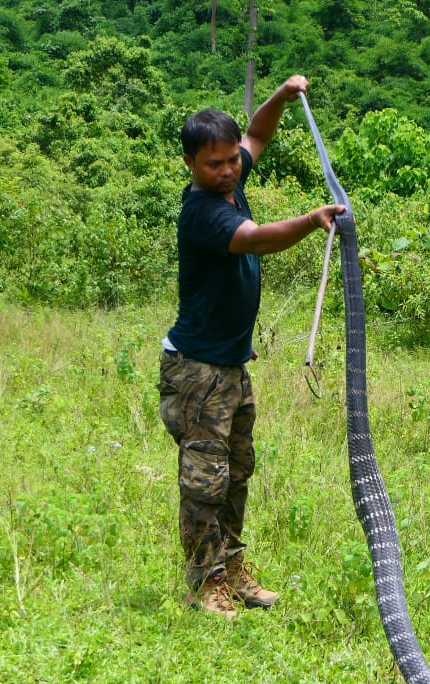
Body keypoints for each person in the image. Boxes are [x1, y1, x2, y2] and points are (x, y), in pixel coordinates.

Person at [159, 75, 345, 618]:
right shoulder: (203, 212)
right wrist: (312, 221)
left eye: (231, 161)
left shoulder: (231, 178)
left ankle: (233, 570)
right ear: (191, 163)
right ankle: (203, 581)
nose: (228, 170)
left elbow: (258, 135)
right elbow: (256, 238)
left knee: (237, 472)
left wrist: (282, 97)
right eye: (214, 163)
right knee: (204, 481)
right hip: (197, 372)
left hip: (233, 367)